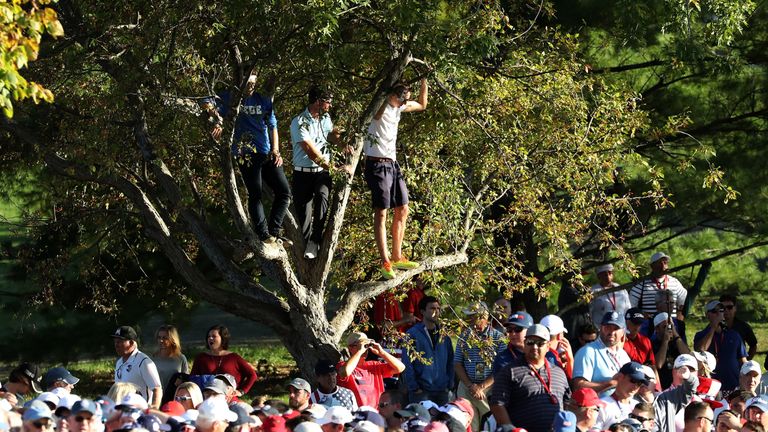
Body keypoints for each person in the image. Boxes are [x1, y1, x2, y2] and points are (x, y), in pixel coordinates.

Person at [205, 71, 291, 246]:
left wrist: (276, 150)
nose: (250, 87)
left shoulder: (263, 100)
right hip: (245, 153)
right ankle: (263, 234)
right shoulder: (229, 98)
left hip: (266, 152)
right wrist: (217, 120)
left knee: (284, 192)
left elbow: (273, 126)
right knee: (256, 193)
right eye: (247, 84)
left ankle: (274, 233)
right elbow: (206, 101)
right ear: (240, 82)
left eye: (253, 83)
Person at [364, 78, 428, 279]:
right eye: (401, 99)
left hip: (392, 163)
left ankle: (397, 256)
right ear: (391, 95)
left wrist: (424, 80)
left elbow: (422, 104)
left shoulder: (398, 107)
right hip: (376, 163)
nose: (403, 104)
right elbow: (378, 111)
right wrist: (388, 86)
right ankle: (385, 261)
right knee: (381, 213)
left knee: (403, 208)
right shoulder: (380, 106)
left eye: (404, 101)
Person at [289, 85, 351, 259]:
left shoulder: (325, 118)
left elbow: (331, 134)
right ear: (317, 102)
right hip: (303, 174)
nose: (330, 105)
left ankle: (316, 240)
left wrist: (342, 144)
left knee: (323, 196)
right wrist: (332, 168)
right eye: (327, 102)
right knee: (305, 216)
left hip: (321, 173)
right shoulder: (299, 121)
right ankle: (307, 249)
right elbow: (310, 151)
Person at [489, 324, 571, 432]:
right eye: (530, 342)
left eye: (540, 343)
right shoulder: (509, 371)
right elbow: (497, 404)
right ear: (524, 343)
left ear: (548, 346)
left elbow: (568, 402)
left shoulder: (559, 372)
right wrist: (510, 429)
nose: (535, 347)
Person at [453, 302, 505, 432]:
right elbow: (457, 363)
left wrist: (481, 387)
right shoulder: (464, 336)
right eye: (469, 316)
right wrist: (471, 386)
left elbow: (501, 368)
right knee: (469, 427)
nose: (470, 320)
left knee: (490, 426)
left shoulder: (498, 338)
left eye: (474, 316)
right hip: (467, 388)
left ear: (485, 317)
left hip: (489, 390)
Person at [401, 296, 454, 405]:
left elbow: (451, 361)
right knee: (421, 422)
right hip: (421, 391)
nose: (436, 311)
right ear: (422, 311)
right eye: (432, 308)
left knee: (442, 422)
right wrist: (414, 387)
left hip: (442, 391)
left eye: (438, 309)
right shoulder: (412, 334)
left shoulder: (444, 335)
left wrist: (450, 385)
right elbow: (407, 362)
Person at [337, 331, 405, 408]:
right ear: (350, 348)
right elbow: (345, 372)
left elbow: (400, 368)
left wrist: (382, 353)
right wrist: (359, 352)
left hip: (375, 413)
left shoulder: (374, 365)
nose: (365, 349)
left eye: (367, 346)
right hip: (356, 414)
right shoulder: (343, 365)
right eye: (361, 345)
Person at [572, 311, 631, 396]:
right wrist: (608, 385)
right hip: (596, 407)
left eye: (616, 328)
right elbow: (578, 386)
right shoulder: (588, 351)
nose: (611, 332)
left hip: (622, 407)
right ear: (601, 328)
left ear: (623, 332)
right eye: (608, 327)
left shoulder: (623, 355)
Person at [693, 301, 747, 392]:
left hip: (733, 386)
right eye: (714, 311)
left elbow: (743, 360)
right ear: (707, 315)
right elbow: (701, 349)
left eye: (721, 310)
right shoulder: (700, 335)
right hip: (710, 386)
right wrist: (713, 328)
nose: (719, 314)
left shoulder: (734, 335)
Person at [191, 325, 258, 396]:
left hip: (229, 400)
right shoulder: (201, 357)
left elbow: (252, 375)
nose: (210, 338)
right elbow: (192, 379)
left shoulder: (234, 358)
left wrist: (241, 391)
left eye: (214, 336)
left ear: (222, 338)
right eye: (209, 336)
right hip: (206, 398)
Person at [111, 325, 163, 408]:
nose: (116, 345)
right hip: (123, 412)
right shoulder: (119, 362)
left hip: (140, 412)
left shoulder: (143, 362)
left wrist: (154, 409)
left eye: (120, 341)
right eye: (115, 341)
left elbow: (157, 389)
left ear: (131, 343)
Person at [629, 252, 687, 320]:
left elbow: (683, 304)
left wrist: (679, 321)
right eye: (659, 263)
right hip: (650, 326)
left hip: (672, 326)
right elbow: (631, 307)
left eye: (665, 263)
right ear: (652, 266)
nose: (663, 266)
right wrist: (642, 314)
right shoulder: (641, 284)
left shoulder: (675, 282)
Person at [593, 362, 649, 429]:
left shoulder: (638, 406)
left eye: (639, 383)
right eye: (633, 380)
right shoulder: (602, 405)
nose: (635, 387)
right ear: (620, 377)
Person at [653, 355, 699, 432]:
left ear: (697, 373)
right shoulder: (662, 399)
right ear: (673, 372)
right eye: (682, 369)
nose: (686, 373)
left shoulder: (699, 401)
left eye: (691, 370)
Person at [652, 312, 691, 389]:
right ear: (657, 329)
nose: (668, 329)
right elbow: (658, 365)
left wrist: (676, 334)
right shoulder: (652, 343)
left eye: (670, 326)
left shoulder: (677, 342)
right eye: (665, 327)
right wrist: (665, 341)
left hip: (679, 386)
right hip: (663, 385)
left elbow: (688, 356)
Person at [590, 264, 631, 328]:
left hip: (620, 326)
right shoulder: (593, 291)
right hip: (601, 327)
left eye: (610, 273)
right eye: (604, 274)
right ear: (598, 276)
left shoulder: (620, 289)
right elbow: (590, 311)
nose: (608, 276)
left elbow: (628, 308)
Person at [718, 294, 757, 361]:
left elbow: (753, 345)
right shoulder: (714, 326)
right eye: (723, 308)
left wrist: (746, 363)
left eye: (729, 307)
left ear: (735, 308)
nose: (726, 310)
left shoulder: (743, 326)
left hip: (739, 366)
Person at [153, 324, 189, 394]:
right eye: (159, 337)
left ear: (172, 339)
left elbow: (186, 380)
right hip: (157, 397)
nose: (161, 340)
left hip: (174, 396)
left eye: (165, 338)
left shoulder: (181, 358)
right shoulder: (152, 358)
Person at [541, 315, 575, 379]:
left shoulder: (534, 349)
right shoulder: (551, 357)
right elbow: (572, 380)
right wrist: (570, 358)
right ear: (560, 335)